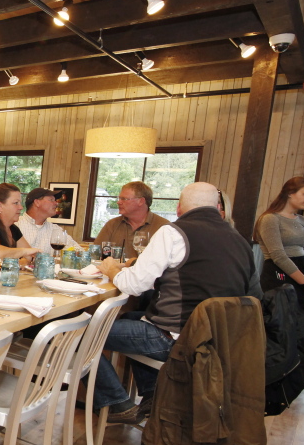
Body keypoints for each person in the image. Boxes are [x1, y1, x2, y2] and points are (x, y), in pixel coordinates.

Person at [94, 182, 261, 424]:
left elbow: (133, 285)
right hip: (219, 341)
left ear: (180, 207)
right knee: (131, 317)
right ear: (217, 207)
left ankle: (117, 402)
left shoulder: (173, 232)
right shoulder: (239, 240)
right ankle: (153, 395)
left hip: (176, 339)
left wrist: (111, 270)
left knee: (79, 334)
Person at [254, 176, 304, 319]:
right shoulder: (270, 219)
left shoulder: (302, 220)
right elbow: (279, 256)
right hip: (279, 274)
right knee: (282, 322)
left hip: (302, 271)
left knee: (301, 322)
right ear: (290, 193)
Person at [94, 181, 171, 252]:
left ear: (141, 201)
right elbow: (96, 254)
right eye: (119, 198)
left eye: (124, 199)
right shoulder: (112, 225)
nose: (118, 202)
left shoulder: (163, 227)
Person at [16, 187, 81, 255]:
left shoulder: (55, 229)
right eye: (51, 200)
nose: (56, 203)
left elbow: (78, 250)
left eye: (55, 200)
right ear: (37, 202)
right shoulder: (15, 225)